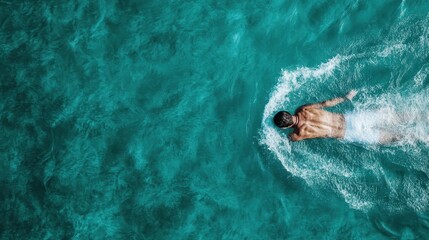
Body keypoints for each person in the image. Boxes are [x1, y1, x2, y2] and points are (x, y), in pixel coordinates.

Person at [273, 90, 399, 144]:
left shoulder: (297, 135)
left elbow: (287, 140)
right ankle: (418, 115)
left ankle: (416, 136)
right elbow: (325, 103)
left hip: (349, 134)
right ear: (289, 113)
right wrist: (345, 97)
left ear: (286, 127)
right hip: (351, 119)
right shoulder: (303, 109)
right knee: (396, 117)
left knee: (395, 137)